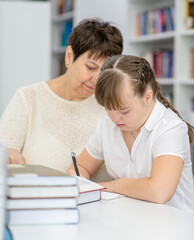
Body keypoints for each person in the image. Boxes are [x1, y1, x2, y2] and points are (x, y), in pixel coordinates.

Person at [67, 55, 194, 212]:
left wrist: (112, 186)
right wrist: (78, 180)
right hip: (130, 219)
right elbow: (81, 166)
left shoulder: (170, 128)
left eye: (124, 111)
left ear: (147, 97)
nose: (115, 118)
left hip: (175, 225)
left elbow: (159, 191)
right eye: (108, 108)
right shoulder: (107, 125)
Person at [0, 19, 123, 180]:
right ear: (69, 56)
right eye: (91, 67)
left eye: (105, 72)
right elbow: (4, 150)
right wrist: (8, 153)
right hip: (38, 201)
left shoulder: (112, 107)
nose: (97, 79)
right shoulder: (28, 98)